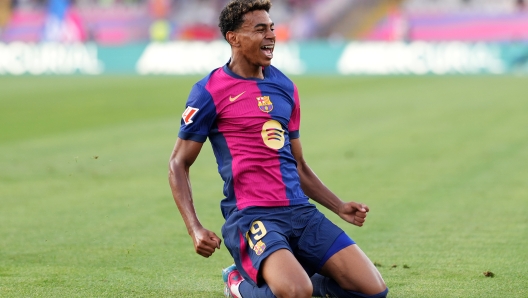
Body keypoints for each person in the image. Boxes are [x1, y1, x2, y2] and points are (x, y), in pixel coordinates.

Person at [168, 1, 388, 297]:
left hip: (299, 212)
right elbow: (178, 163)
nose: (271, 35)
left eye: (272, 28)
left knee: (373, 291)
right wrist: (194, 228)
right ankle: (238, 284)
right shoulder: (209, 91)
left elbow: (298, 165)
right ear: (233, 38)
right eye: (260, 29)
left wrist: (339, 206)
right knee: (296, 291)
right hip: (252, 216)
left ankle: (300, 282)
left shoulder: (285, 87)